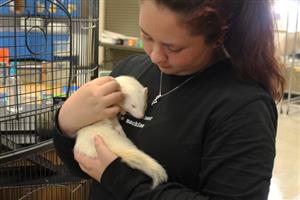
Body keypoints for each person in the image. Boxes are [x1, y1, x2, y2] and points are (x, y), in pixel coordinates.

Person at [53, 0, 285, 199]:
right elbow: (83, 166)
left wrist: (120, 178)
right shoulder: (129, 72)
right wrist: (65, 124)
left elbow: (106, 173)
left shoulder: (243, 107)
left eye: (172, 48)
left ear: (218, 36)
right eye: (146, 36)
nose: (155, 56)